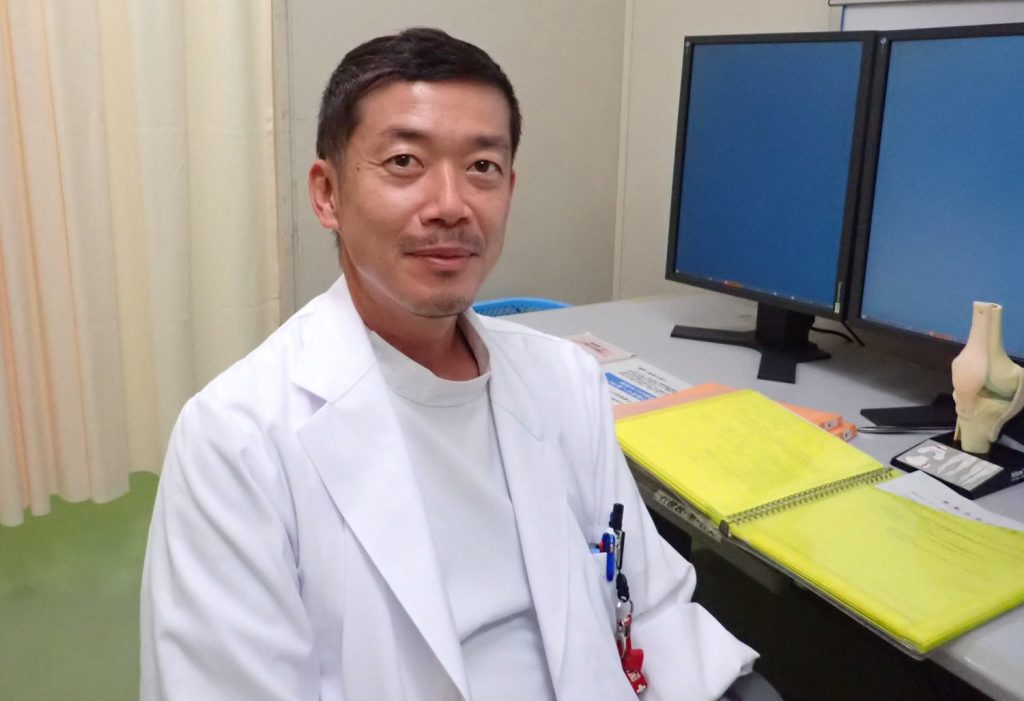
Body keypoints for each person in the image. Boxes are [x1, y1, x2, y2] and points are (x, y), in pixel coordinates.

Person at [140, 27, 758, 700]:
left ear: (509, 188)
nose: (451, 206)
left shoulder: (565, 380)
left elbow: (652, 605)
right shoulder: (236, 440)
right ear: (327, 194)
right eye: (404, 161)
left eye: (482, 167)